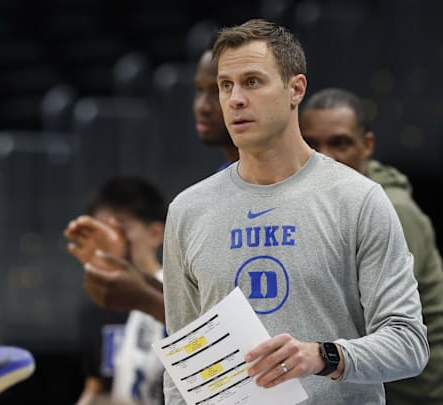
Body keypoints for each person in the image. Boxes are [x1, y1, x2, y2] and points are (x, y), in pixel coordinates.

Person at [162, 18, 428, 405]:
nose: (235, 99)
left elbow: (408, 344)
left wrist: (322, 356)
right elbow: (182, 370)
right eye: (225, 85)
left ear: (295, 89)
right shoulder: (187, 210)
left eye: (252, 81)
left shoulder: (358, 199)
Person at [64, 46, 238, 324]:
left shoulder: (284, 189)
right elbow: (202, 311)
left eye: (218, 90)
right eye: (198, 90)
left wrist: (143, 296)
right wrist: (131, 277)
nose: (202, 106)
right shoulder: (209, 193)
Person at [300, 87, 443, 404]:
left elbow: (347, 320)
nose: (326, 157)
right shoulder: (328, 204)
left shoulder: (392, 210)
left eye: (340, 143)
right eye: (311, 144)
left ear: (367, 146)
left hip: (411, 394)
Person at [69, 176, 168, 405]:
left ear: (155, 233)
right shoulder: (96, 307)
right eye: (101, 229)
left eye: (120, 227)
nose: (111, 239)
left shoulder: (184, 292)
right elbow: (96, 388)